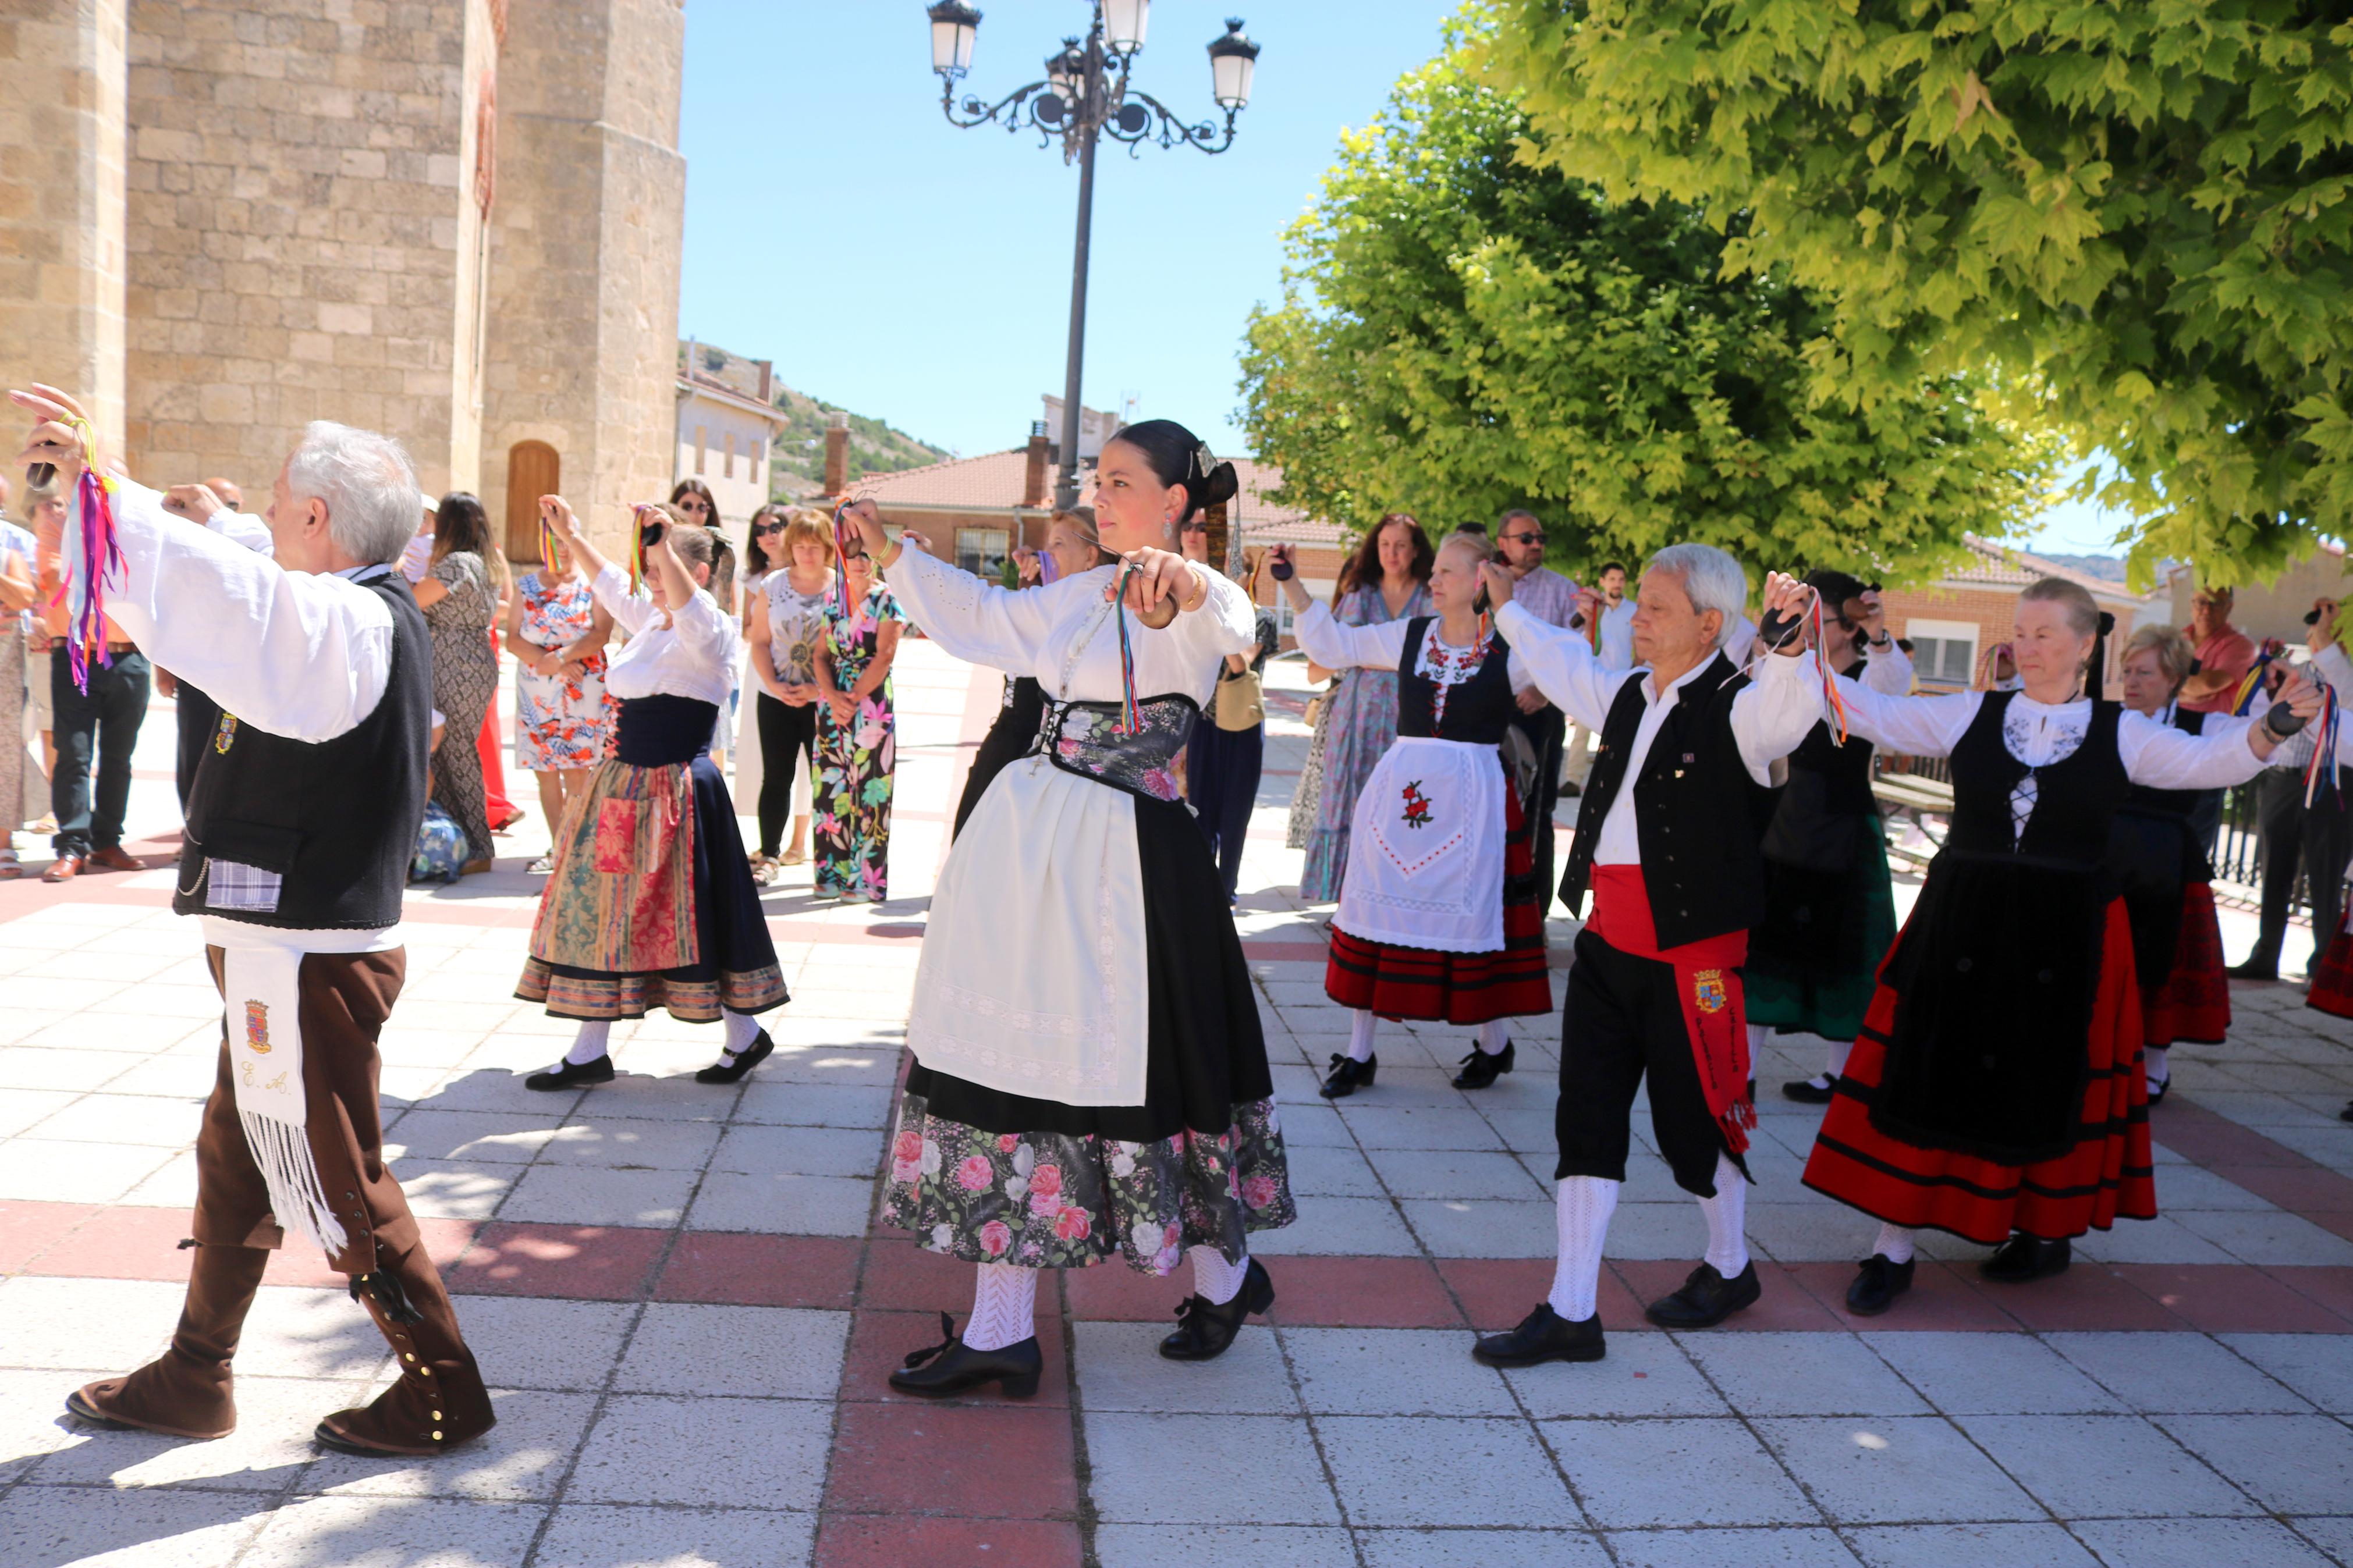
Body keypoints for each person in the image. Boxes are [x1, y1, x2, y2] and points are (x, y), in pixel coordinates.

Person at [17, 389, 494, 1457]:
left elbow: (242, 600)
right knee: (236, 1153)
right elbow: (243, 569)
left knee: (338, 1174)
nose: (272, 520)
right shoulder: (356, 606)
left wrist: (111, 497)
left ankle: (443, 1388)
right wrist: (153, 505)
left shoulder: (348, 620)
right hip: (286, 953)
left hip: (304, 962)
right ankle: (195, 1373)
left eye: (284, 505)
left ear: (321, 520)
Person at [853, 417, 1295, 1397]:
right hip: (1028, 863)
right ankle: (1004, 1326)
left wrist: (1188, 581)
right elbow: (978, 618)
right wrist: (889, 546)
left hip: (1126, 868)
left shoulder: (1185, 597)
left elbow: (1240, 625)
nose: (1100, 494)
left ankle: (1222, 1274)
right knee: (1010, 1064)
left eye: (1123, 481)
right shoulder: (1081, 591)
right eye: (1098, 479)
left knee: (1150, 1081)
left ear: (1177, 501)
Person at [1800, 579, 2314, 1317]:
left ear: (2083, 646)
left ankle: (2039, 1227)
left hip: (2065, 928)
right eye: (2020, 630)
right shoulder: (1971, 713)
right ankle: (1891, 1248)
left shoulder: (2122, 732)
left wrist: (2273, 723)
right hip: (1964, 918)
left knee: (2042, 1077)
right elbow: (1870, 710)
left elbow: (2210, 764)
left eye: (2045, 634)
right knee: (1927, 1067)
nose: (2026, 646)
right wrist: (1798, 656)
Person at [1468, 545, 1823, 1368]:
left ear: (1709, 624)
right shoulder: (1628, 691)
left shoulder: (1738, 704)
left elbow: (1785, 717)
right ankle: (1570, 1308)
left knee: (1693, 1124)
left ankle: (1729, 1266)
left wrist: (1787, 644)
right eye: (1640, 605)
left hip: (1692, 960)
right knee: (1584, 1116)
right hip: (1605, 945)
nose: (1637, 618)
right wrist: (1507, 605)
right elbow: (1559, 664)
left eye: (1657, 607)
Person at [517, 498, 788, 1090]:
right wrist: (571, 534)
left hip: (675, 792)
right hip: (626, 785)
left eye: (661, 566)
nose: (649, 575)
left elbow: (685, 605)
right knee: (603, 913)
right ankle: (591, 1051)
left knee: (682, 918)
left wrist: (661, 543)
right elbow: (613, 586)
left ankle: (742, 1035)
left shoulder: (707, 628)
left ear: (696, 572)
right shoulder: (655, 622)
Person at [1275, 532, 1555, 1098]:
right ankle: (1359, 1052)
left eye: (1446, 572)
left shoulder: (1512, 646)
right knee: (1374, 913)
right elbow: (1333, 646)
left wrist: (1536, 663)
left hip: (1474, 798)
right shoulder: (1410, 637)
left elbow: (1570, 673)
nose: (1433, 579)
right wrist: (1291, 585)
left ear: (1479, 581)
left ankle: (1494, 1045)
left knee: (1473, 921)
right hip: (1401, 796)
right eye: (1437, 571)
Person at [1756, 573, 1913, 1104]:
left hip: (1845, 822)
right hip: (1785, 818)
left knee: (1851, 948)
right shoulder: (1788, 665)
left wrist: (1879, 631)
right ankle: (1745, 1067)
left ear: (1846, 629)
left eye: (1814, 619)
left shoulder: (1872, 672)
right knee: (1764, 944)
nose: (1804, 629)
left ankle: (1839, 1073)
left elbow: (1896, 680)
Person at [2107, 624, 2239, 1105]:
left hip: (2169, 860)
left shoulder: (2202, 725)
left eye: (2144, 672)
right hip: (2106, 855)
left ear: (2173, 678)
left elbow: (2252, 740)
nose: (2131, 681)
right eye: (2126, 671)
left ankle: (2153, 1061)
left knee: (2157, 961)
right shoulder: (2104, 723)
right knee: (2104, 956)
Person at [1299, 514, 1435, 901]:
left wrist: (1362, 650)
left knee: (1403, 799)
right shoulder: (1359, 592)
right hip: (1355, 716)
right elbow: (1326, 654)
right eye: (1384, 544)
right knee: (1353, 798)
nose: (1391, 553)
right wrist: (1384, 655)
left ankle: (1395, 893)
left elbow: (1431, 652)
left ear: (1415, 550)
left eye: (1400, 545)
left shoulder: (1429, 595)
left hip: (1410, 716)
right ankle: (1349, 898)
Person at [954, 507, 1110, 838]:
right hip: (1004, 745)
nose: (1046, 553)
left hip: (1041, 760)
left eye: (1058, 544)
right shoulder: (1042, 601)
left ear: (1090, 555)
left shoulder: (1097, 616)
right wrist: (1029, 586)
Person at [33, 471, 151, 881]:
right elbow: (53, 580)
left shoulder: (139, 531)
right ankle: (71, 846)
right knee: (74, 755)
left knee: (119, 758)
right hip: (76, 656)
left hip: (130, 658)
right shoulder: (58, 524)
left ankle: (106, 841)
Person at [2232, 621, 2353, 981]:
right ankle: (2265, 956)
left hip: (2331, 785)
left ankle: (2323, 966)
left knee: (2325, 876)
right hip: (2283, 780)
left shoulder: (2345, 674)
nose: (2318, 632)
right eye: (2315, 626)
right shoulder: (2295, 670)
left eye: (2328, 626)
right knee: (2274, 872)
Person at [505, 520, 616, 874]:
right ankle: (559, 848)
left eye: (566, 540)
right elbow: (514, 638)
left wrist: (564, 658)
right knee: (546, 774)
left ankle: (579, 847)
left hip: (583, 687)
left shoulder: (592, 586)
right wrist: (549, 662)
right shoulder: (526, 586)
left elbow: (601, 633)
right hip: (539, 691)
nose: (560, 547)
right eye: (551, 540)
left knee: (578, 772)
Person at [811, 530, 906, 902]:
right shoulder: (832, 598)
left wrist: (851, 697)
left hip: (871, 705)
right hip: (831, 704)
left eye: (867, 554)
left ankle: (866, 880)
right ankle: (831, 873)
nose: (861, 561)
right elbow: (820, 654)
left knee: (870, 788)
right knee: (831, 787)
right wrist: (834, 697)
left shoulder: (887, 600)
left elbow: (885, 655)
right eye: (853, 554)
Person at [1496, 510, 1581, 915]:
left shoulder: (1564, 592)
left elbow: (1579, 652)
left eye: (1540, 538)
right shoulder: (1482, 585)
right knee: (1483, 807)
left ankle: (1533, 913)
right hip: (1484, 713)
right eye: (1526, 538)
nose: (1536, 545)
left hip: (1536, 713)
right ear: (1503, 543)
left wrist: (1544, 691)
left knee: (1536, 812)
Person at [409, 493, 500, 874]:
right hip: (466, 662)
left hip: (456, 665)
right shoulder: (482, 561)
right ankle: (462, 842)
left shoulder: (457, 563)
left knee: (456, 751)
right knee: (449, 752)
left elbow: (414, 600)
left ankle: (478, 848)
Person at [741, 507, 832, 879]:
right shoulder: (772, 586)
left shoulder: (841, 588)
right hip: (776, 697)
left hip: (823, 700)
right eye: (800, 546)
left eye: (815, 546)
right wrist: (776, 685)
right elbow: (760, 642)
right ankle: (770, 857)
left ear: (828, 548)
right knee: (776, 778)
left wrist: (818, 690)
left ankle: (831, 860)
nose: (807, 554)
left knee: (827, 778)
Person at [1187, 549, 1279, 904]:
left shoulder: (1264, 619)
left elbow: (1241, 664)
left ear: (1251, 578)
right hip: (1205, 724)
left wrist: (1222, 617)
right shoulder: (1201, 614)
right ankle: (1201, 887)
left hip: (1241, 727)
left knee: (1234, 814)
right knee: (1201, 811)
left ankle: (1226, 891)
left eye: (1237, 573)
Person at [1561, 560, 1632, 792]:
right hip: (1593, 678)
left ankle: (1614, 781)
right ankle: (1573, 780)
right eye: (1612, 579)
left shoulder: (1633, 611)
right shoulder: (1592, 610)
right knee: (1581, 732)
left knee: (1619, 735)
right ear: (1602, 582)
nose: (1617, 584)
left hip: (1622, 680)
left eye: (1621, 579)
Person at [0, 502, 33, 875]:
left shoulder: (9, 555)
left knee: (6, 752)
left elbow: (24, 597)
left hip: (5, 669)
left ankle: (3, 841)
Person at [2175, 583, 2260, 716]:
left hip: (2212, 731)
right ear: (2192, 604)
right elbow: (2151, 686)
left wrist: (2168, 680)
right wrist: (2179, 697)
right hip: (2170, 725)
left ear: (2229, 607)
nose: (2207, 610)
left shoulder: (2241, 646)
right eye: (2202, 602)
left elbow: (2208, 684)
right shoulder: (2175, 640)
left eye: (2216, 604)